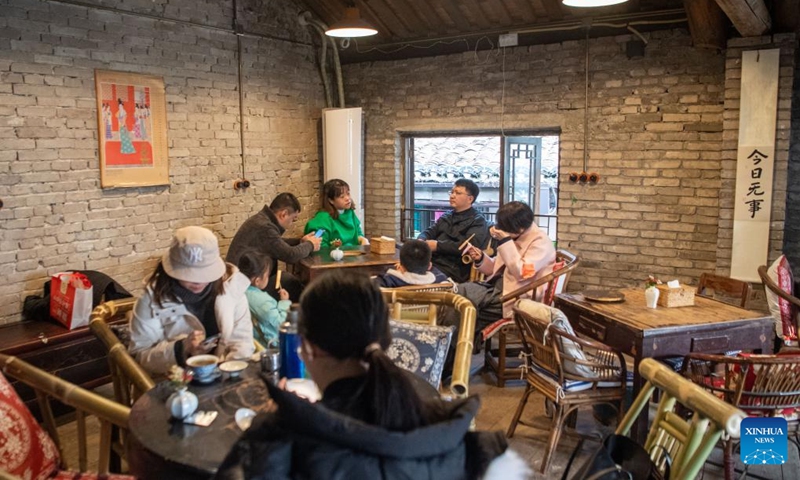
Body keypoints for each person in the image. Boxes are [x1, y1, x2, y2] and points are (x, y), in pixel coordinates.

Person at [216, 271, 528, 480]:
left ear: (307, 349)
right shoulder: (470, 446)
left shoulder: (277, 443)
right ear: (385, 338)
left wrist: (283, 417)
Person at [129, 226, 254, 376]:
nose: (198, 282)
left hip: (224, 375)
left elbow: (242, 342)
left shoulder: (232, 287)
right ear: (171, 268)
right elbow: (140, 356)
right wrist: (181, 348)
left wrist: (229, 375)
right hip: (175, 384)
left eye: (204, 273)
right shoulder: (151, 299)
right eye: (188, 274)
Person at [457, 201, 556, 331]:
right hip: (499, 289)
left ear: (519, 229)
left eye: (504, 227)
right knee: (460, 294)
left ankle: (454, 345)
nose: (501, 229)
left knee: (464, 305)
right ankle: (457, 345)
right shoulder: (516, 237)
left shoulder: (540, 243)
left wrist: (505, 241)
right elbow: (494, 269)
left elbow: (522, 273)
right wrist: (480, 258)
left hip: (518, 296)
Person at [226, 193, 321, 301]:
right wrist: (310, 245)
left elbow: (277, 243)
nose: (291, 224)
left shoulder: (261, 220)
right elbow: (290, 255)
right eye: (293, 219)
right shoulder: (264, 227)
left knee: (287, 280)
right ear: (284, 214)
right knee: (290, 282)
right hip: (243, 289)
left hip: (242, 281)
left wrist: (301, 241)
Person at [418, 178, 489, 283]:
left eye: (458, 193)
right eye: (451, 192)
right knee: (399, 272)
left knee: (415, 278)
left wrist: (437, 246)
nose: (452, 196)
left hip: (453, 268)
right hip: (433, 262)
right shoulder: (447, 216)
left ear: (470, 199)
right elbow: (429, 231)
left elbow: (468, 247)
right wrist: (420, 241)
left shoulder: (478, 220)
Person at [237, 250, 290, 347]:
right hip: (269, 345)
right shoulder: (262, 301)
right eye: (267, 276)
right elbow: (281, 323)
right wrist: (284, 302)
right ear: (257, 281)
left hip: (251, 341)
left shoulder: (238, 291)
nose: (268, 278)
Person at [304, 179, 368, 248]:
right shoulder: (322, 220)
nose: (347, 198)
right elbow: (319, 244)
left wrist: (362, 239)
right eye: (342, 196)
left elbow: (358, 232)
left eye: (348, 193)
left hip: (354, 254)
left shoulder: (349, 212)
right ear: (331, 200)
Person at [373, 239, 449, 288]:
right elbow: (437, 272)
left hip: (397, 313)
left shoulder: (389, 280)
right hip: (432, 313)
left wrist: (392, 269)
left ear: (401, 267)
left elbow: (370, 288)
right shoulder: (440, 280)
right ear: (429, 266)